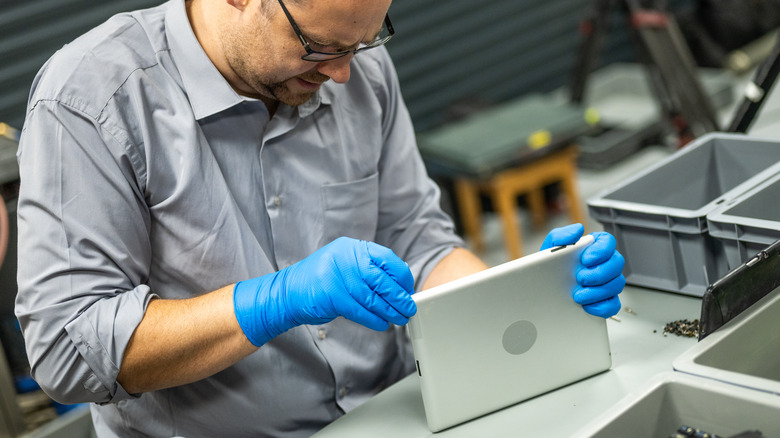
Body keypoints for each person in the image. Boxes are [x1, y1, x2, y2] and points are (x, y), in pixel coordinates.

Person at [14, 0, 625, 436]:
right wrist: (275, 301)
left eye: (361, 43)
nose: (341, 74)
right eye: (321, 47)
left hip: (397, 413)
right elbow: (69, 353)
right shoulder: (91, 102)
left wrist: (527, 292)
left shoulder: (359, 72)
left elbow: (419, 238)